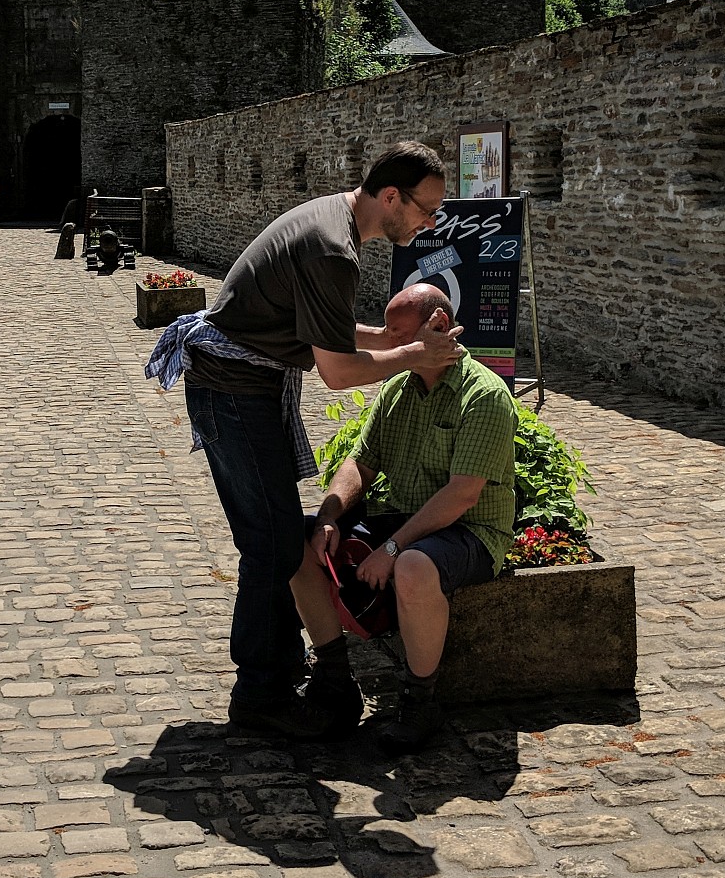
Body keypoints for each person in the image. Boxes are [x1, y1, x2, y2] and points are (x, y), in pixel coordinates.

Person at [145, 141, 464, 738]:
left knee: (275, 539)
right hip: (236, 391)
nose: (430, 223)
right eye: (426, 209)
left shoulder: (332, 222)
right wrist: (413, 355)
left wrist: (392, 343)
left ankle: (293, 672)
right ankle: (261, 695)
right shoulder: (333, 248)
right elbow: (338, 372)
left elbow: (331, 327)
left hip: (238, 386)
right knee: (271, 545)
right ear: (390, 196)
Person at [292, 283, 516, 753]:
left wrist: (390, 550)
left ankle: (421, 703)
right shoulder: (399, 388)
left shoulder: (485, 394)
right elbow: (361, 463)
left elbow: (461, 497)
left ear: (437, 327)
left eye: (399, 334)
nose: (391, 346)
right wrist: (331, 514)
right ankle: (335, 681)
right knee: (302, 540)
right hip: (410, 519)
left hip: (470, 533)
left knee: (413, 566)